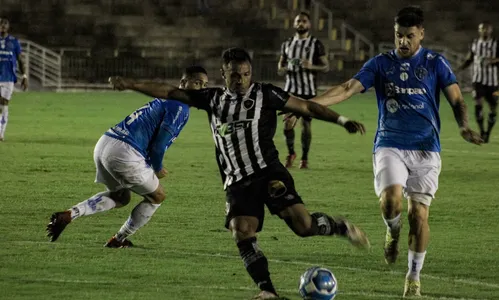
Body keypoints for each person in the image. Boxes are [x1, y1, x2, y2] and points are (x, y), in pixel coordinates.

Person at [109, 47, 370, 300]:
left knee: (303, 227)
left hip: (269, 173)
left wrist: (341, 120)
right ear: (224, 74)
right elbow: (169, 91)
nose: (241, 80)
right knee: (241, 231)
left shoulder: (266, 94)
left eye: (246, 74)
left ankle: (339, 226)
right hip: (237, 180)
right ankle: (267, 290)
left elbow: (307, 107)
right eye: (234, 75)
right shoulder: (212, 98)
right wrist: (131, 83)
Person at [311, 6, 483, 297]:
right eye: (398, 36)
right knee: (391, 202)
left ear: (421, 35)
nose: (403, 42)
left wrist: (464, 127)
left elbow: (456, 100)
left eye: (409, 36)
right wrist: (308, 105)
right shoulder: (380, 63)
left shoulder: (435, 63)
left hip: (427, 149)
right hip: (390, 144)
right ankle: (392, 230)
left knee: (419, 216)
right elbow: (347, 87)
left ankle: (413, 278)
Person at [46, 66, 209, 248]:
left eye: (204, 84)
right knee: (157, 196)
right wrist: (157, 167)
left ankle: (69, 214)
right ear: (183, 83)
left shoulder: (165, 99)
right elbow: (158, 146)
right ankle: (118, 240)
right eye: (197, 83)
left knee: (121, 197)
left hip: (106, 143)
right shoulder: (180, 107)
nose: (202, 88)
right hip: (126, 152)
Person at [278, 12, 329, 169]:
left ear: (309, 25)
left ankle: (304, 158)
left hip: (308, 92)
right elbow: (280, 68)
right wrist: (287, 68)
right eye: (298, 21)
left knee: (306, 126)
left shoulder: (316, 44)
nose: (301, 23)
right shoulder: (286, 44)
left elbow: (326, 66)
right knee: (288, 124)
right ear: (294, 24)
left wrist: (310, 66)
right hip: (290, 91)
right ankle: (291, 153)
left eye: (304, 21)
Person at [458, 21, 499, 143]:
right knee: (478, 104)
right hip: (478, 81)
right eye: (482, 29)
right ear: (479, 30)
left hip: (493, 82)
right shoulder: (475, 43)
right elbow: (470, 59)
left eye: (487, 29)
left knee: (493, 108)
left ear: (491, 30)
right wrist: (458, 69)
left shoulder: (496, 44)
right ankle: (482, 131)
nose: (484, 31)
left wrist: (492, 61)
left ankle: (488, 132)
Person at [0, 17, 28, 141]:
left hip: (8, 78)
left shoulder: (13, 42)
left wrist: (24, 76)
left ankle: (1, 133)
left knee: (4, 104)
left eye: (5, 24)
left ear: (8, 27)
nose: (3, 26)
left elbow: (20, 60)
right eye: (1, 24)